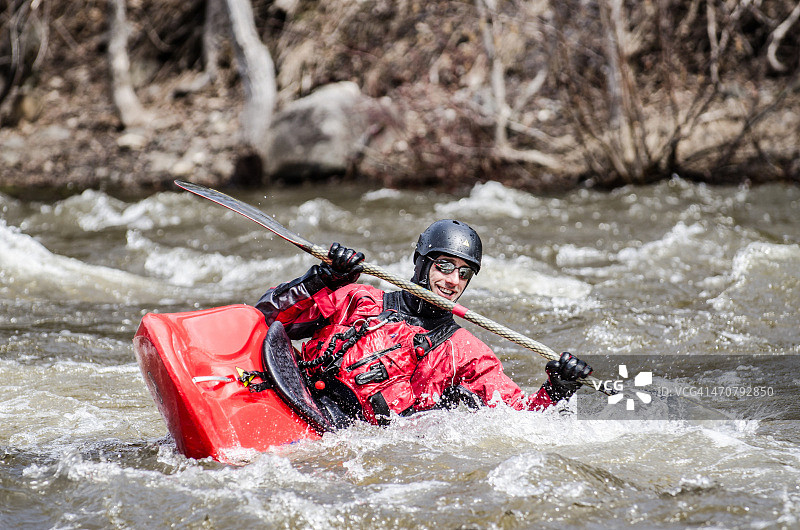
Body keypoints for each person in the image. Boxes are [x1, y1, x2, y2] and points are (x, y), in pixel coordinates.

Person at [256, 219, 592, 426]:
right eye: (445, 266)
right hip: (289, 395)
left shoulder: (466, 353)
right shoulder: (359, 297)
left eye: (464, 273)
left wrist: (556, 390)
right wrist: (323, 278)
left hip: (344, 437)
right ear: (421, 264)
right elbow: (269, 314)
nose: (453, 281)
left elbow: (519, 421)